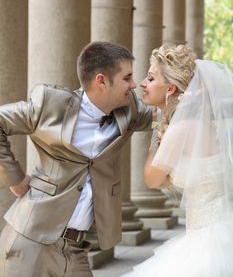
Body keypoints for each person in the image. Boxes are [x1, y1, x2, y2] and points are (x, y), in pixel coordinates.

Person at [0, 41, 152, 277]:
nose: (133, 85)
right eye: (127, 77)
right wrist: (15, 178)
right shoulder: (51, 106)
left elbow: (167, 114)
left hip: (76, 250)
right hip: (30, 242)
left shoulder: (129, 111)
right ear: (102, 80)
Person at [121, 44, 233, 277]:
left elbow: (152, 179)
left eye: (151, 78)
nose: (142, 83)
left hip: (208, 240)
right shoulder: (197, 125)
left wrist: (155, 127)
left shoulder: (180, 129)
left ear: (170, 88)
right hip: (215, 230)